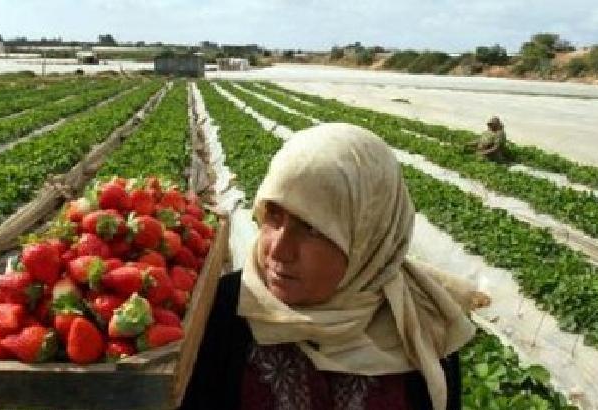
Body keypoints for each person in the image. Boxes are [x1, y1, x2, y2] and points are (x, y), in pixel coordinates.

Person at [181, 123, 484, 410]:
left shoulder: (422, 325)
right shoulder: (224, 311)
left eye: (311, 228)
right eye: (274, 215)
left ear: (367, 239)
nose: (279, 250)